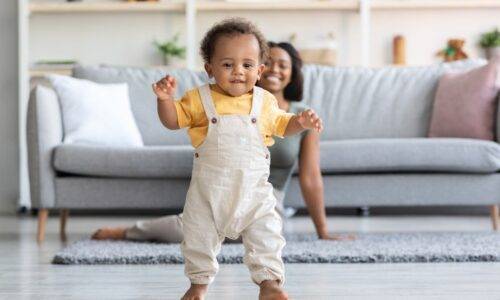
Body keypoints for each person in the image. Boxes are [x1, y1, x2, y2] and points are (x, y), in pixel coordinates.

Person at [155, 18, 322, 300]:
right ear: (210, 68)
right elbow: (172, 121)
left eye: (247, 65)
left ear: (259, 70)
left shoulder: (264, 102)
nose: (238, 72)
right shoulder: (199, 99)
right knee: (198, 240)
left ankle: (270, 285)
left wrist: (301, 122)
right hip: (209, 195)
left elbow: (284, 126)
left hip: (254, 196)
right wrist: (164, 100)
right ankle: (198, 286)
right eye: (227, 64)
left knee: (267, 236)